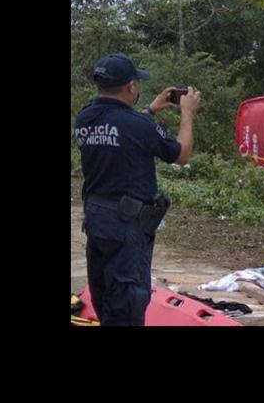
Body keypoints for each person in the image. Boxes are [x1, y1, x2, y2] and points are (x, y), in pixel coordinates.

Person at [75, 53, 202, 326]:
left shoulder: (84, 118)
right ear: (131, 86)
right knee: (128, 304)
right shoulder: (137, 125)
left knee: (105, 298)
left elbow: (120, 128)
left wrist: (152, 109)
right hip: (126, 227)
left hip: (97, 220)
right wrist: (187, 113)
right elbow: (181, 155)